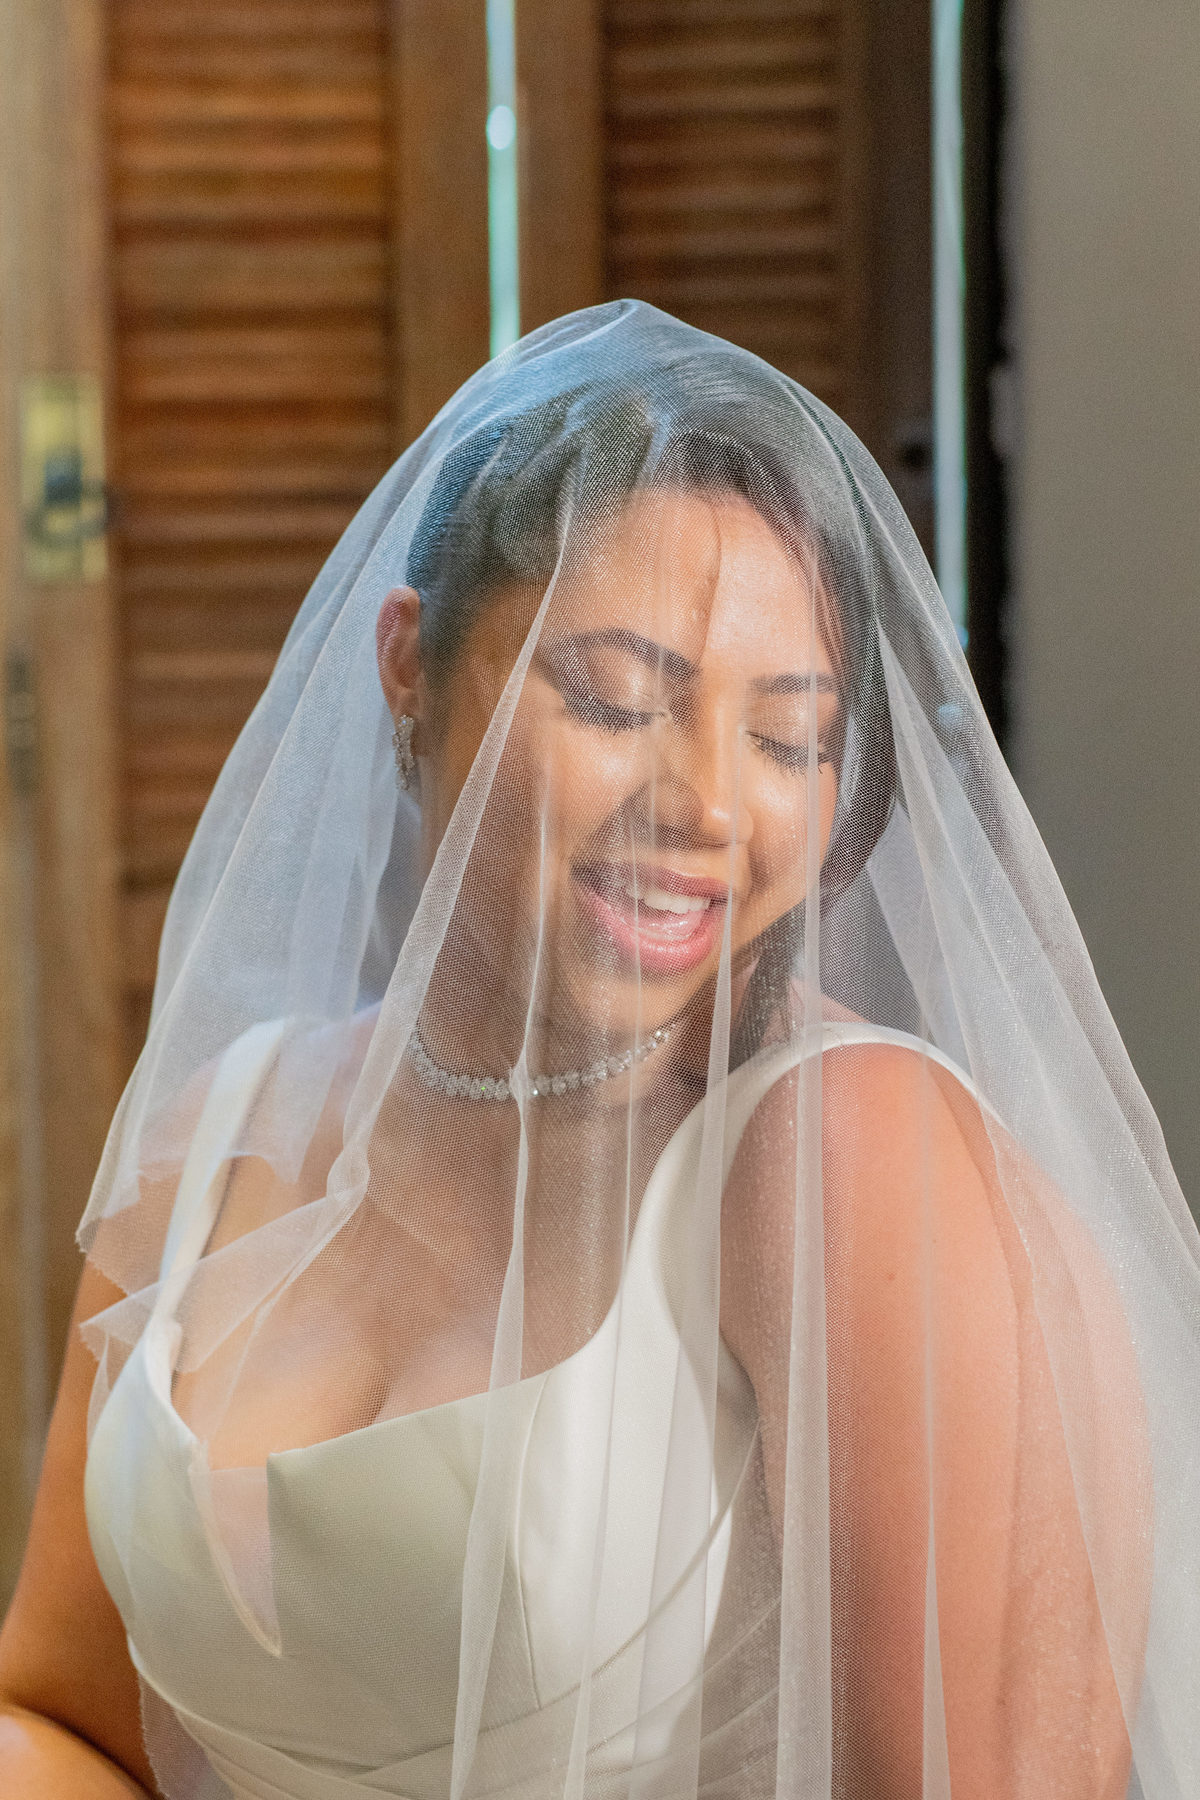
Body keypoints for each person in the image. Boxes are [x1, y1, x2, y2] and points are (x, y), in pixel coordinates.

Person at [0, 301, 1195, 1800]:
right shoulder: (217, 1138)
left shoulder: (848, 1156)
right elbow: (67, 1724)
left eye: (787, 741)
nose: (706, 807)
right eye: (617, 701)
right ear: (407, 665)